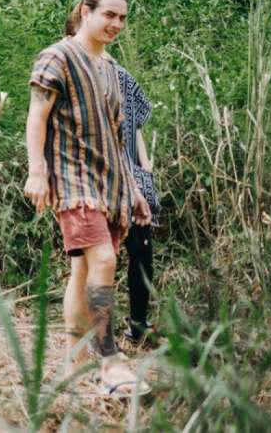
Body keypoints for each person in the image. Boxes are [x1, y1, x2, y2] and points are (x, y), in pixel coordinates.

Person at [23, 0, 153, 398]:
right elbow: (36, 117)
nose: (115, 24)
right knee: (103, 261)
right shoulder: (58, 56)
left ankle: (74, 364)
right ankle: (110, 360)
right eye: (108, 15)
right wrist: (37, 170)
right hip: (73, 179)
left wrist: (133, 188)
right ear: (86, 11)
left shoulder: (113, 70)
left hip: (111, 183)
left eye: (122, 18)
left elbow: (119, 137)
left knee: (84, 271)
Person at [115, 63, 159, 346]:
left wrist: (145, 166)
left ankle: (138, 324)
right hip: (98, 177)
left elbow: (137, 126)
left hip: (132, 174)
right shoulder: (73, 71)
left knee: (142, 250)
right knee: (97, 258)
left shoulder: (120, 76)